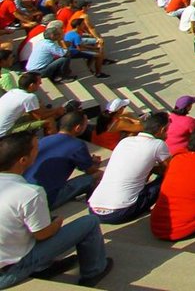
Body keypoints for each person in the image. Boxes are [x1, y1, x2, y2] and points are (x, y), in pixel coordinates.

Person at [0, 131, 113, 288]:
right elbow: (42, 234)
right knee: (90, 222)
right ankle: (94, 271)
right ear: (23, 160)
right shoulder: (30, 193)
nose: (38, 151)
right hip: (10, 270)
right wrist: (57, 223)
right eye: (35, 148)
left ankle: (44, 267)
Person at [88, 111, 171, 224]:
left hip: (93, 209)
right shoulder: (158, 144)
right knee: (166, 179)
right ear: (162, 130)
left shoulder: (124, 141)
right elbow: (170, 169)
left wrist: (150, 169)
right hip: (118, 213)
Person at [23, 111, 100, 209]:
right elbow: (91, 170)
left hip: (26, 194)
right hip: (47, 200)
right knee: (98, 176)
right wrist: (94, 163)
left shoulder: (42, 140)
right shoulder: (77, 145)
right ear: (78, 128)